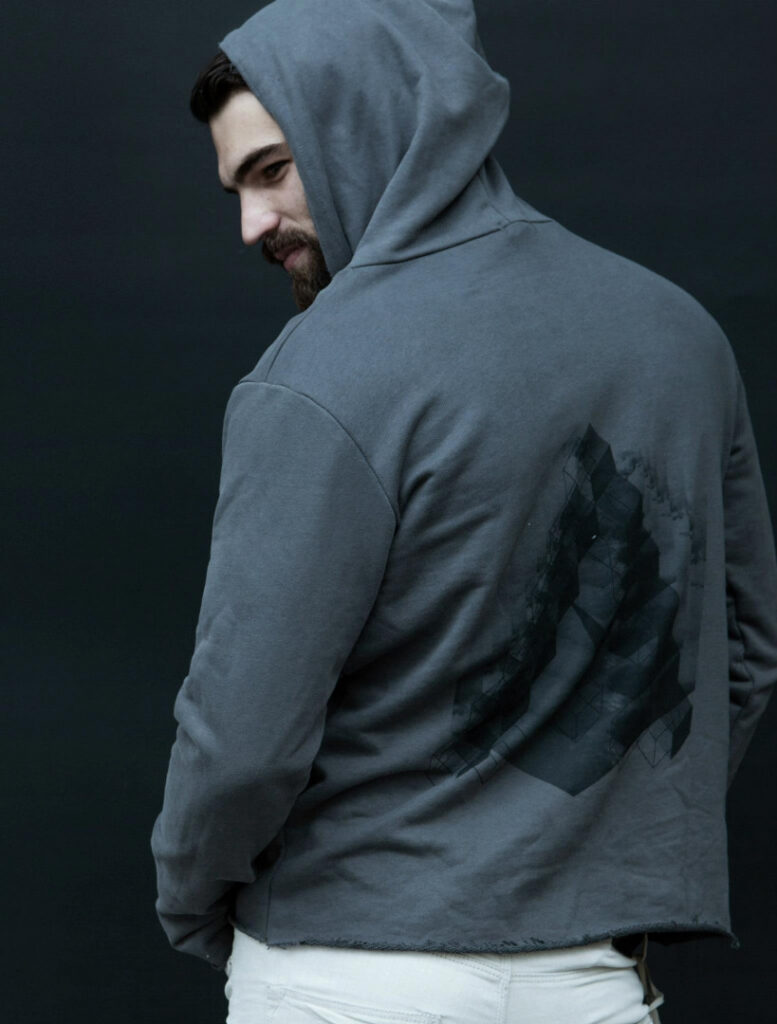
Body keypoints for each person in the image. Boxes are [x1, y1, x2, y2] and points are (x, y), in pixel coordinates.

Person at [150, 2, 777, 1022]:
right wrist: (585, 846)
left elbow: (242, 738)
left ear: (370, 122)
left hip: (347, 975)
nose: (252, 225)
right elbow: (739, 656)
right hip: (592, 987)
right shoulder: (682, 336)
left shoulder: (318, 372)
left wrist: (193, 903)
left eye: (272, 171)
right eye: (237, 189)